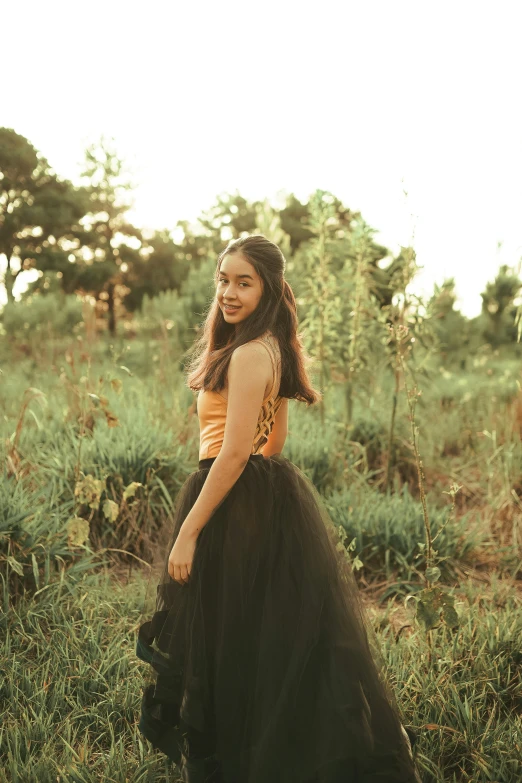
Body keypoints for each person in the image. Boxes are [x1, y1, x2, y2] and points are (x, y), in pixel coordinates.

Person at [136, 234, 422, 783]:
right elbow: (274, 444)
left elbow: (238, 451)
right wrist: (261, 506)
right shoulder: (271, 347)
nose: (229, 292)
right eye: (223, 279)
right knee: (255, 636)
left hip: (225, 496)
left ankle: (225, 762)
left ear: (267, 288)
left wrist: (190, 531)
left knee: (221, 640)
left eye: (245, 282)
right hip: (255, 502)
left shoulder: (247, 354)